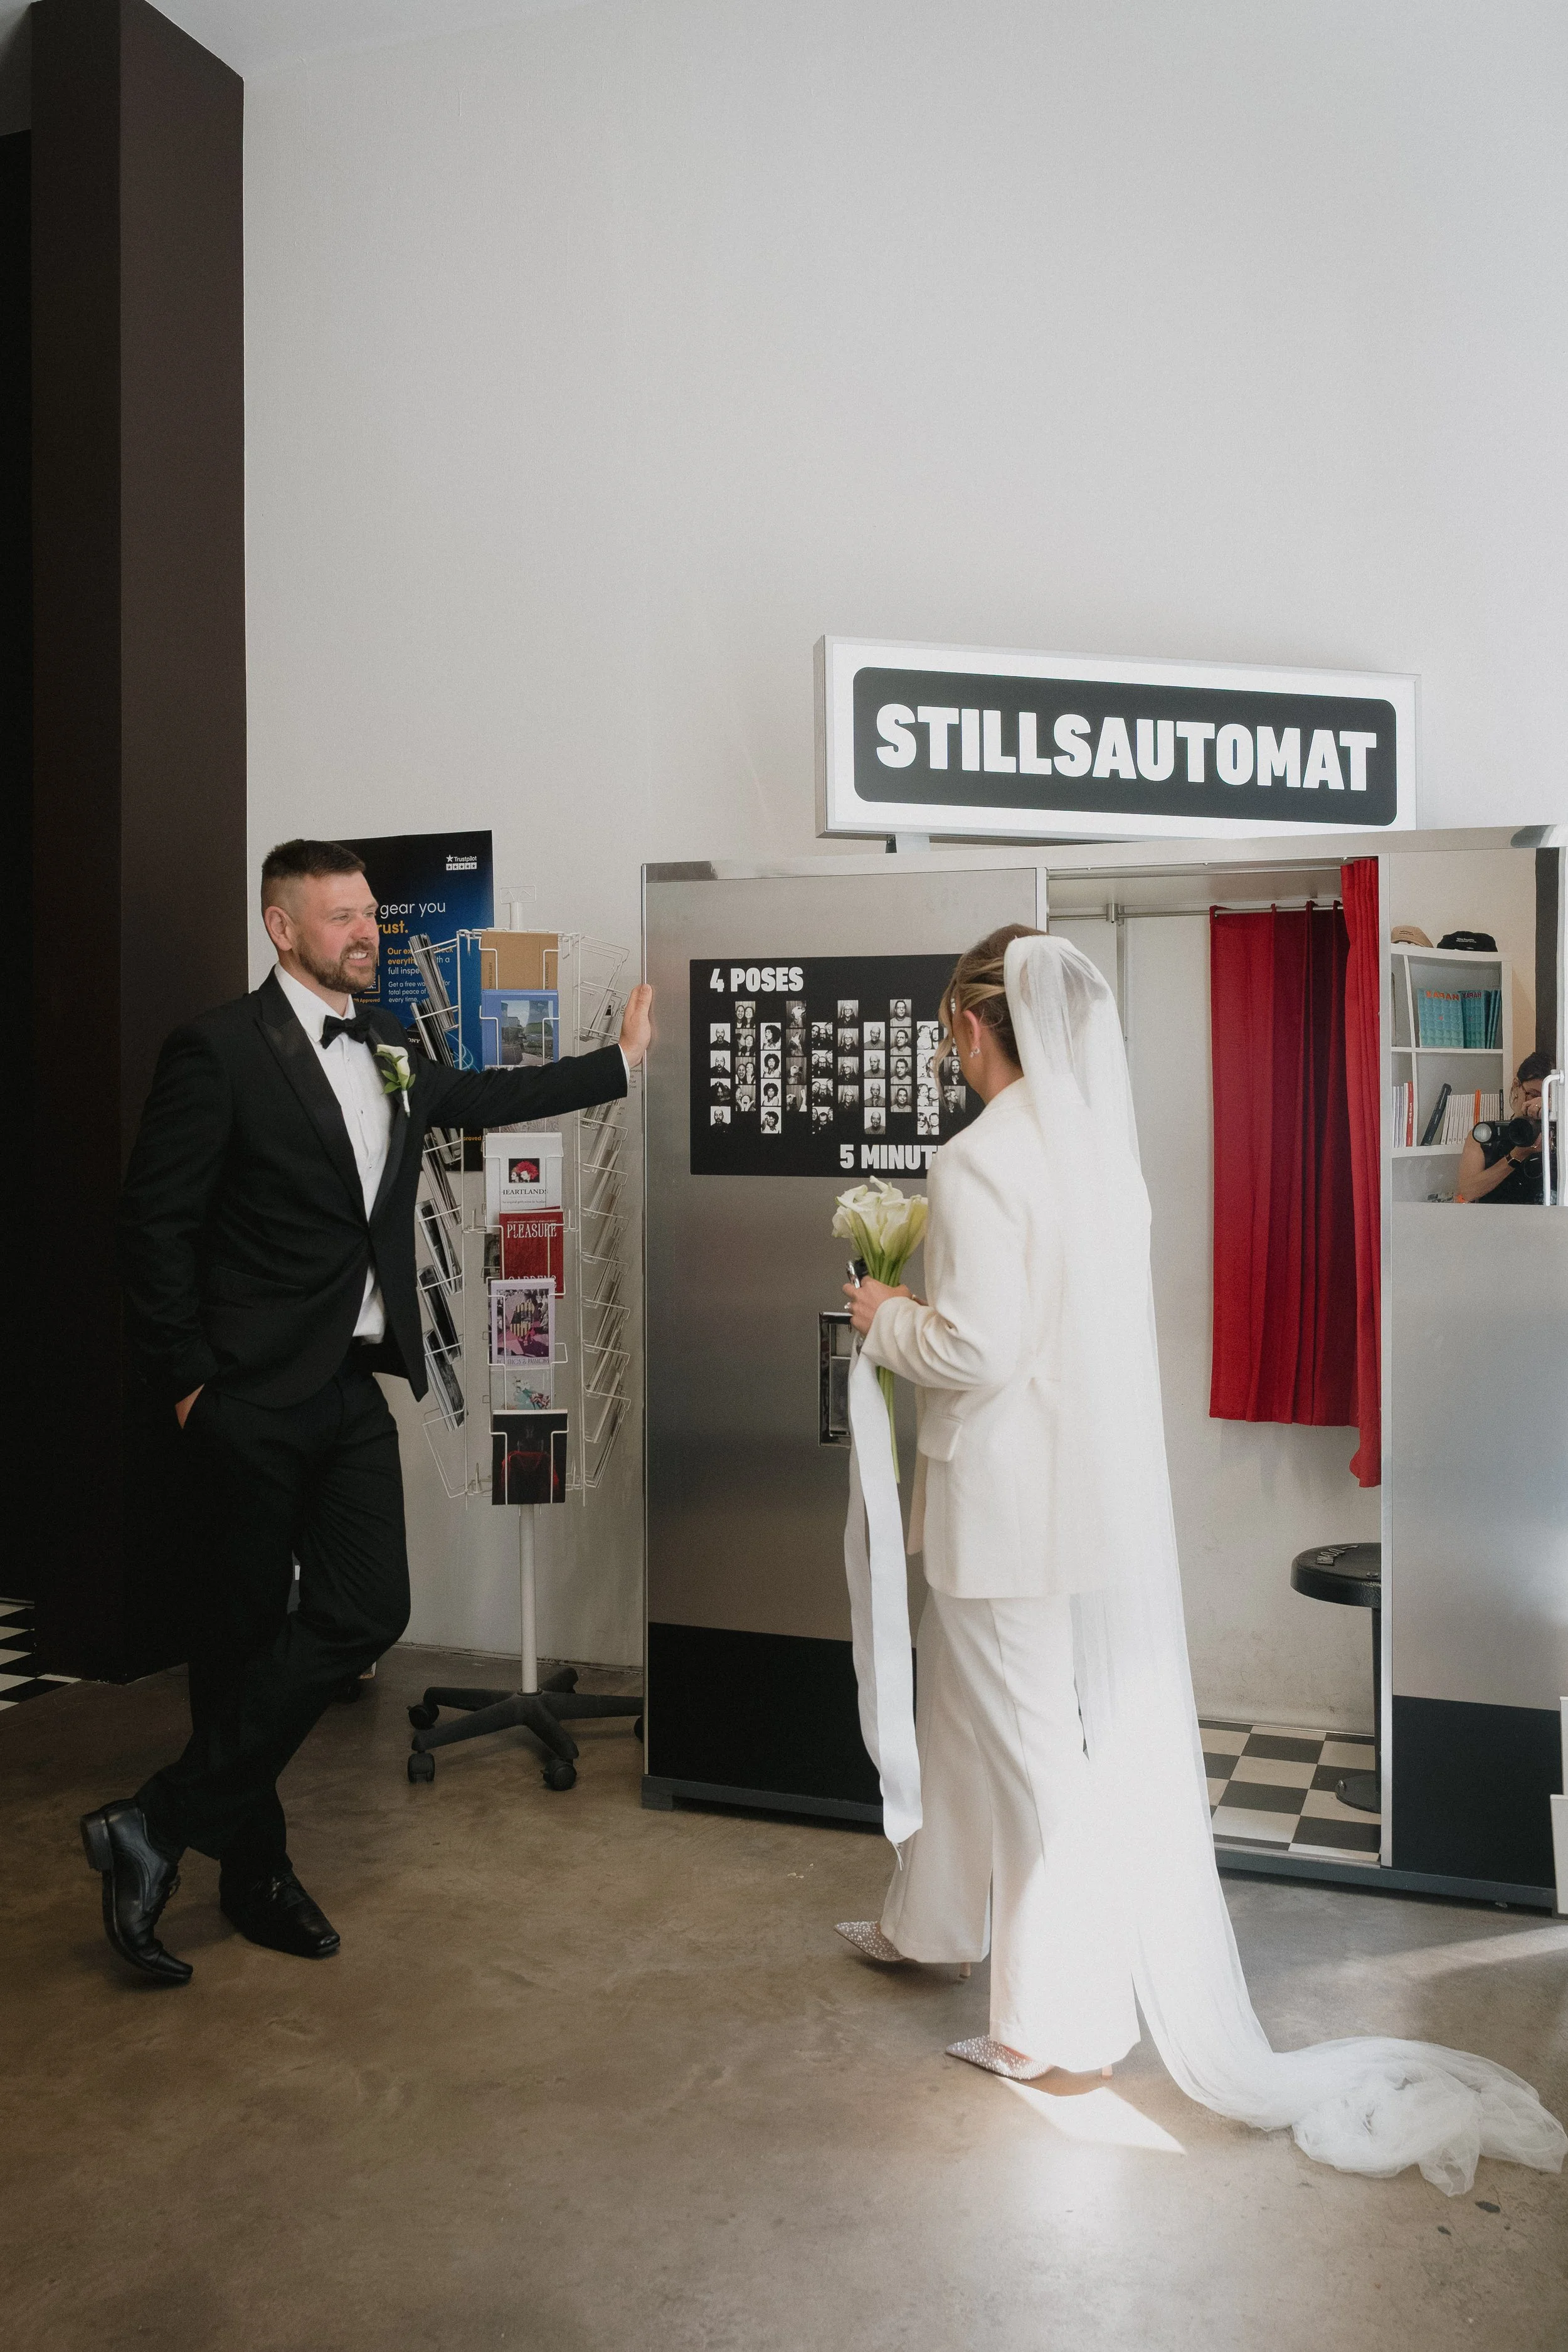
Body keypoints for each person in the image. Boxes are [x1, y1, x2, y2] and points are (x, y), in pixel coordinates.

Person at [833, 926, 1565, 2191]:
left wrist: (882, 1314)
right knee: (967, 1725)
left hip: (997, 1507)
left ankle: (1059, 2032)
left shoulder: (972, 1160)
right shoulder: (1102, 1163)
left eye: (952, 1030)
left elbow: (977, 1353)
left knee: (1025, 1755)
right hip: (1067, 1507)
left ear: (970, 1027)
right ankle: (933, 1925)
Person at [83, 840, 653, 1985]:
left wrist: (622, 1065)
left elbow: (489, 1097)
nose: (366, 933)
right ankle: (255, 1876)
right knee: (239, 1649)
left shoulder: (391, 1043)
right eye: (340, 917)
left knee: (367, 1608)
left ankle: (153, 1820)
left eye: (369, 916)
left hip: (348, 1388)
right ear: (279, 928)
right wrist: (192, 1383)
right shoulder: (217, 1051)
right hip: (244, 1397)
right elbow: (154, 1228)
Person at [1456, 1051, 1550, 1202]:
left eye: (1546, 1098)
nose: (1536, 1105)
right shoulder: (1488, 1135)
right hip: (1496, 1224)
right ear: (1516, 1087)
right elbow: (1467, 1192)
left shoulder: (1562, 1135)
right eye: (1533, 1095)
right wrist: (1518, 1155)